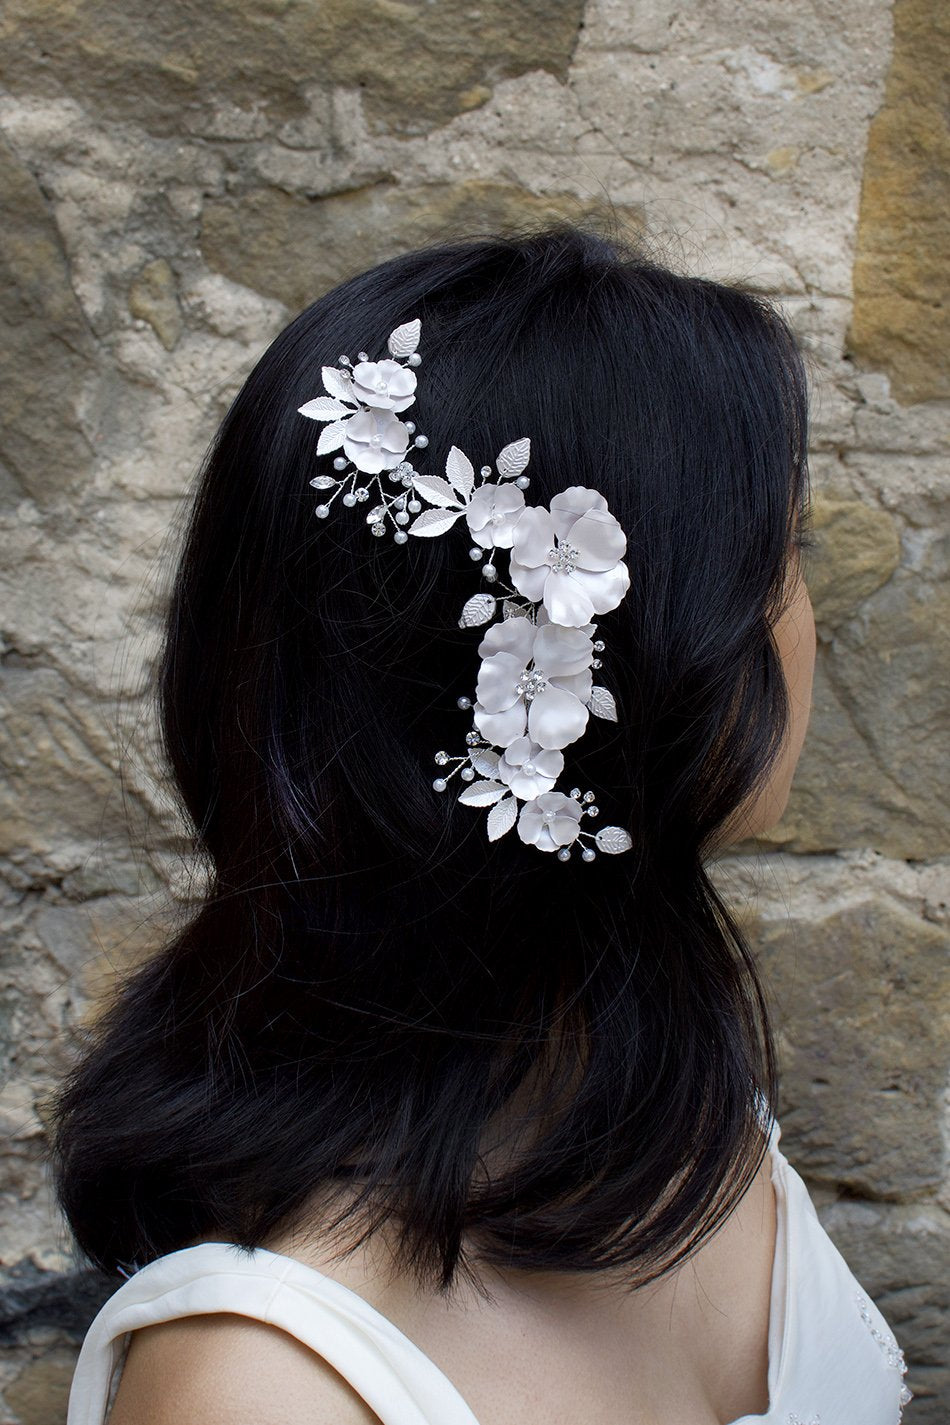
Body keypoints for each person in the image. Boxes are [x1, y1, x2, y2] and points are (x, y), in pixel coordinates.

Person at [52, 224, 912, 1424]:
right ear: (624, 646)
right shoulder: (263, 1388)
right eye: (779, 555)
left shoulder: (678, 1114)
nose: (801, 616)